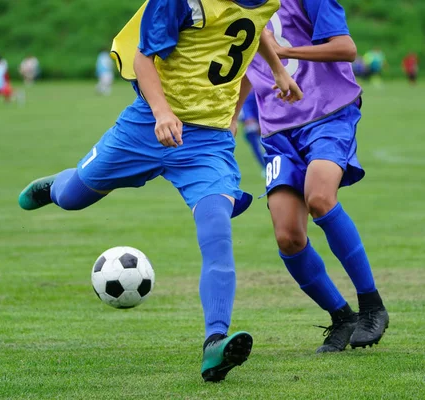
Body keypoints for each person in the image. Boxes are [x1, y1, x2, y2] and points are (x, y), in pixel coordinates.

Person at [18, 0, 301, 382]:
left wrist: (279, 71)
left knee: (217, 231)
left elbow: (257, 30)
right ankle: (56, 187)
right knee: (72, 199)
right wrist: (163, 112)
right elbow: (143, 59)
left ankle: (215, 342)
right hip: (145, 126)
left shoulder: (269, 0)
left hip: (208, 144)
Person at [244, 0, 389, 354]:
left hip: (328, 114)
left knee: (320, 198)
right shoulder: (236, 6)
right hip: (278, 132)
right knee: (288, 237)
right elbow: (247, 66)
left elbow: (346, 48)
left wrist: (285, 51)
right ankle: (342, 317)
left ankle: (372, 306)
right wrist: (233, 118)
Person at [239, 90, 267, 174]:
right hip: (252, 121)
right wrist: (248, 118)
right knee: (255, 144)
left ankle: (268, 166)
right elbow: (245, 104)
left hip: (263, 119)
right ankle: (264, 167)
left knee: (267, 143)